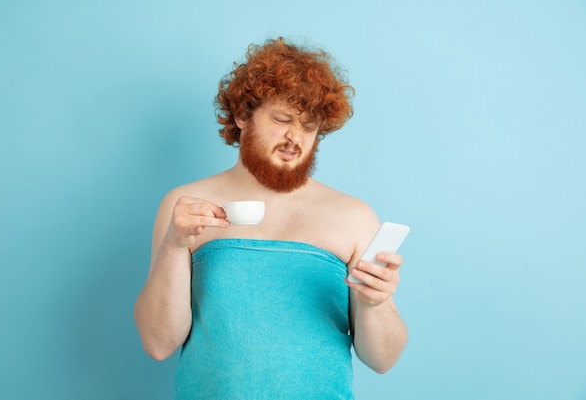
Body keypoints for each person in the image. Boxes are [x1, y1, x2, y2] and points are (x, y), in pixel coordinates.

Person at [134, 37, 408, 399]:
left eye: (309, 127)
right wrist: (174, 245)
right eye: (282, 119)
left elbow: (383, 359)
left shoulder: (353, 217)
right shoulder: (186, 207)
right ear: (242, 116)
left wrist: (375, 303)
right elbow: (158, 343)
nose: (295, 137)